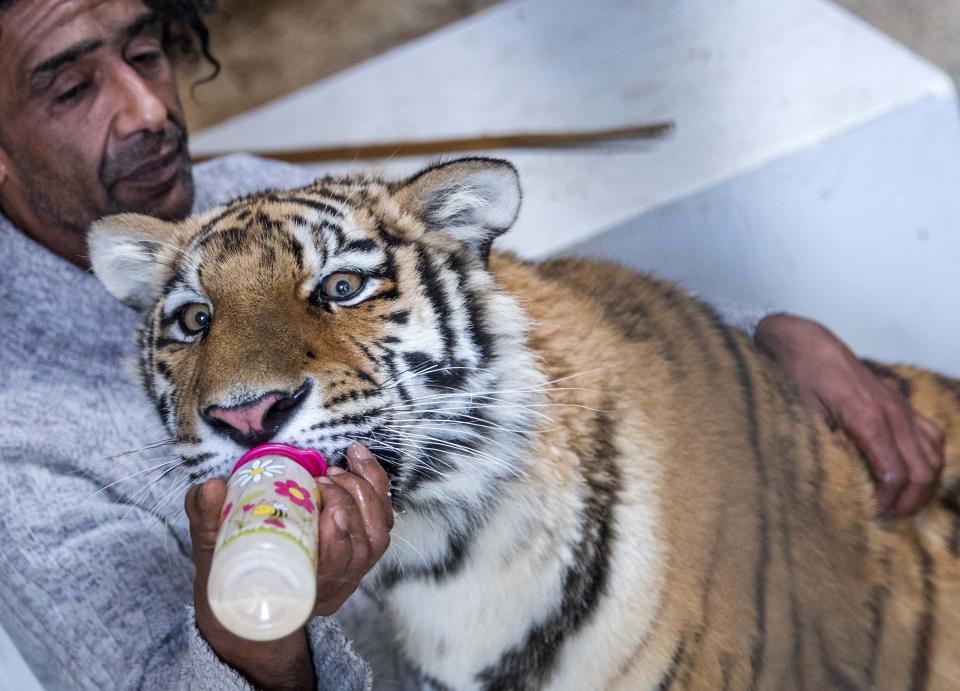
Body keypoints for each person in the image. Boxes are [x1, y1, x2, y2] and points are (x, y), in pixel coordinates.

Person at [0, 0, 944, 689]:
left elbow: (495, 303)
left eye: (146, 51)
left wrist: (765, 331)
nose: (149, 112)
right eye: (73, 85)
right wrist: (260, 645)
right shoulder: (23, 451)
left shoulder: (237, 191)